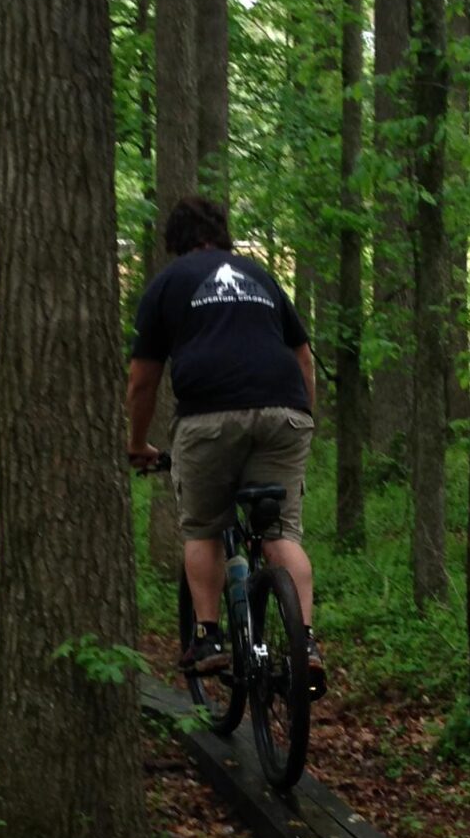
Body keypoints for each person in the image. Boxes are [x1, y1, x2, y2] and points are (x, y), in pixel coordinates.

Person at [126, 195, 325, 692]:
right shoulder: (260, 275)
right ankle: (306, 643)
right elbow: (304, 359)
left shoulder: (167, 284)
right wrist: (303, 418)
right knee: (281, 535)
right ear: (222, 234)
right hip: (285, 411)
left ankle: (209, 638)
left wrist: (137, 443)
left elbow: (142, 382)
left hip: (208, 418)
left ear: (175, 242)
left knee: (204, 529)